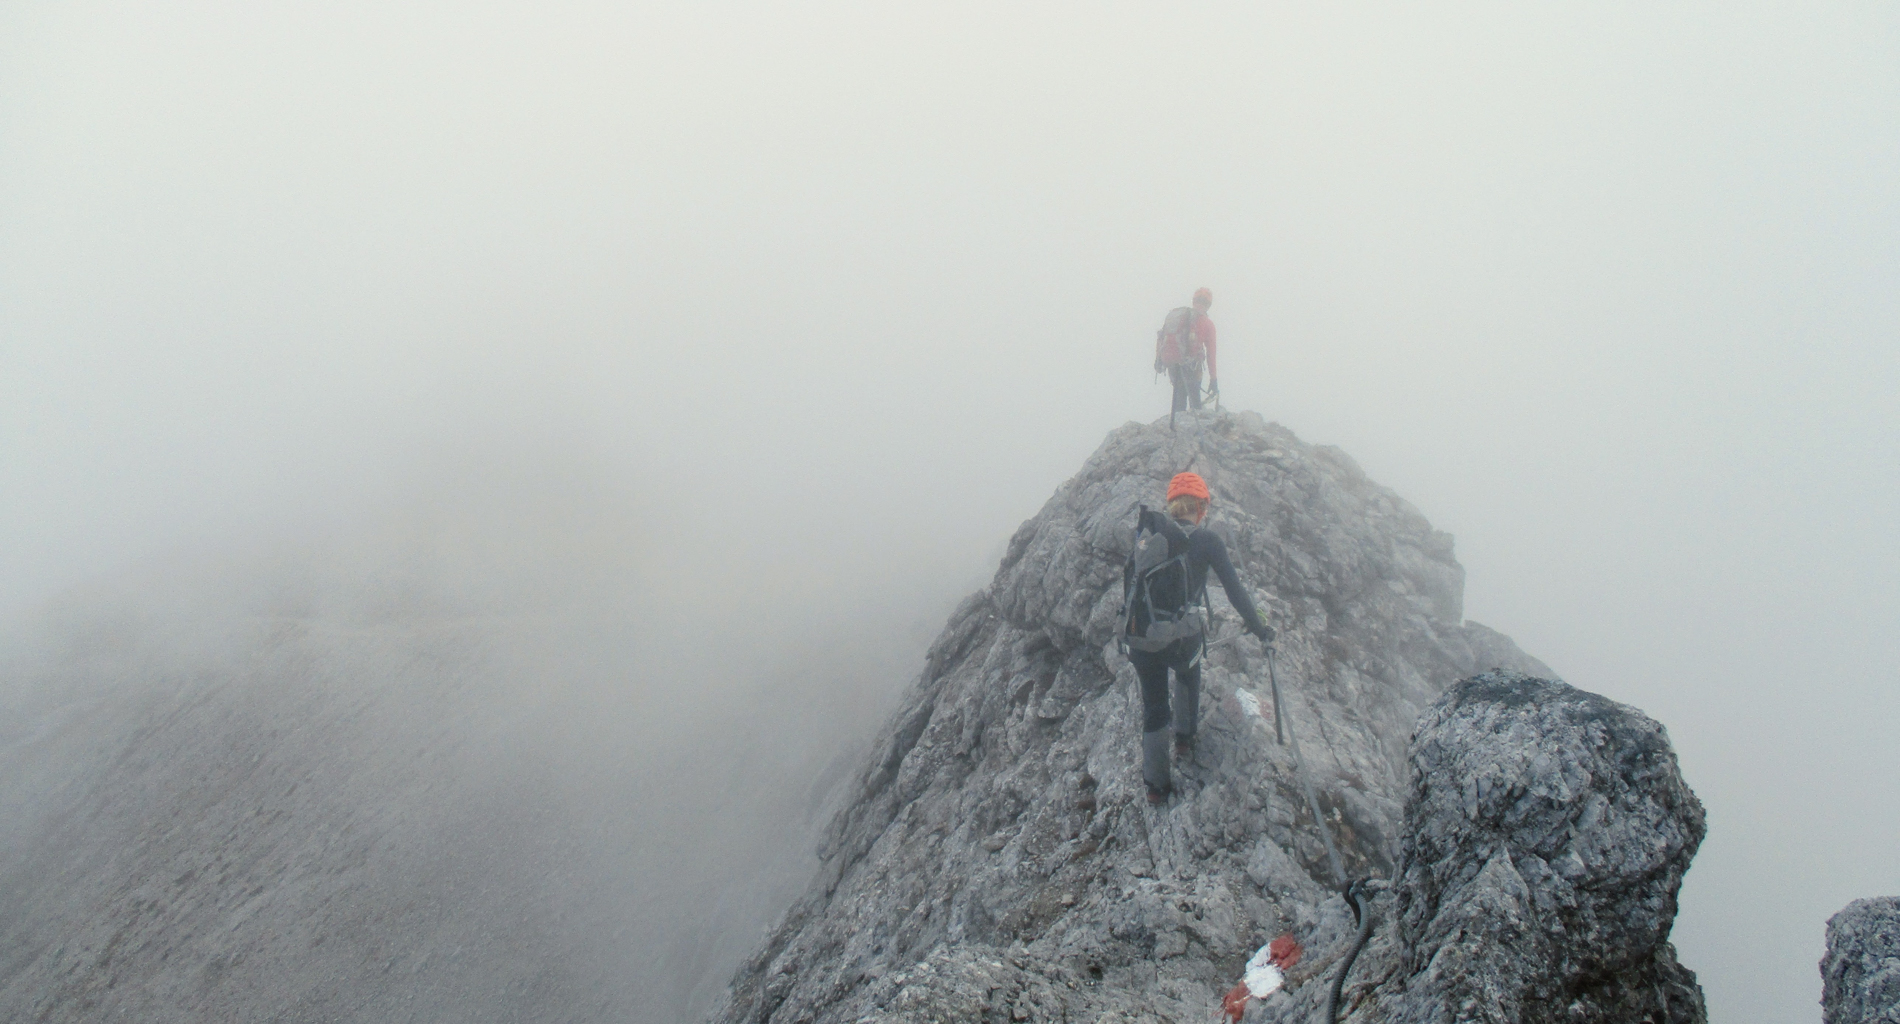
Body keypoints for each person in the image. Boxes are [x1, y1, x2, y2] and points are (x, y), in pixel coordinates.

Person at [1121, 472, 1274, 803]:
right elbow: (1235, 591)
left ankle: (1156, 788)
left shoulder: (1148, 536)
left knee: (1154, 706)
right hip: (1179, 639)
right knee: (1189, 670)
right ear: (1201, 507)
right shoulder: (1207, 540)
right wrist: (1260, 628)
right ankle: (1184, 737)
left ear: (1172, 504)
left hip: (1141, 636)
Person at [1154, 288, 1220, 414]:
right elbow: (1211, 354)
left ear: (1194, 301)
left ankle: (1177, 423)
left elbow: (1163, 337)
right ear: (1208, 305)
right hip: (1192, 367)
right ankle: (1194, 422)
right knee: (1195, 403)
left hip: (1173, 363)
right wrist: (1213, 379)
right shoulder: (1207, 323)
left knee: (1179, 401)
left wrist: (1158, 359)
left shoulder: (1180, 317)